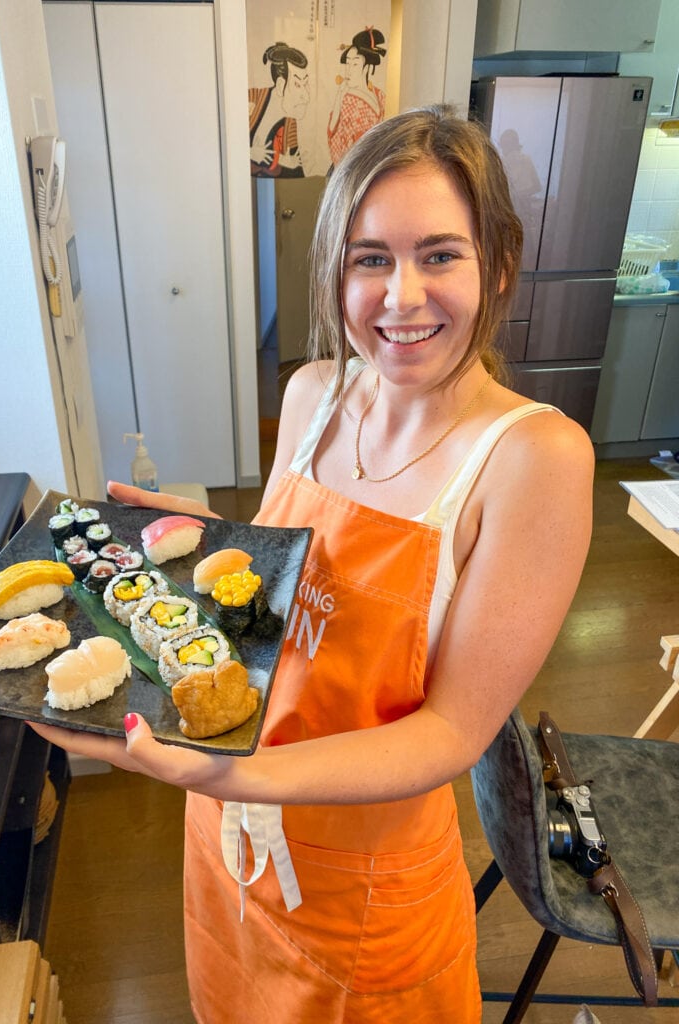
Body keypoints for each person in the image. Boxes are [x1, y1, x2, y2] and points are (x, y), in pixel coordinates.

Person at [30, 106, 594, 1022]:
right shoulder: (313, 395)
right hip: (228, 840)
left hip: (362, 888)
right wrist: (214, 544)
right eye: (370, 258)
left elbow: (451, 733)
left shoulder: (534, 460)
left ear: (498, 265)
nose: (401, 296)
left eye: (440, 255)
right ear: (335, 268)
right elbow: (291, 592)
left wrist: (223, 773)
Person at [327, 28, 386, 171]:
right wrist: (340, 95)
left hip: (372, 166)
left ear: (367, 68)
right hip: (352, 169)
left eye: (355, 64)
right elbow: (332, 131)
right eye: (347, 63)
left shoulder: (380, 95)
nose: (348, 69)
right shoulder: (348, 97)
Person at [249, 41, 310, 177]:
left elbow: (294, 171)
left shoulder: (290, 124)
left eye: (306, 84)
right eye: (297, 85)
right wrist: (249, 153)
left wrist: (287, 165)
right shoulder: (252, 98)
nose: (306, 97)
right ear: (281, 84)